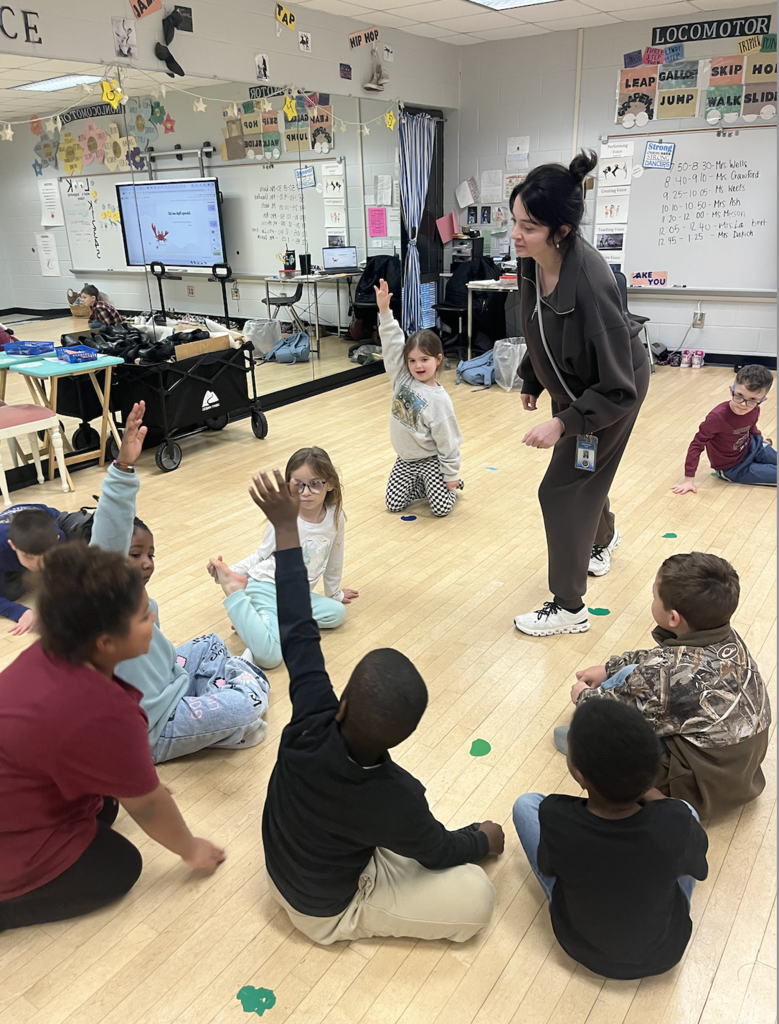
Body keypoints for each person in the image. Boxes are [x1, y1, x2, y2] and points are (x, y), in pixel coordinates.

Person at [254, 467, 502, 944]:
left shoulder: (312, 719)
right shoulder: (395, 795)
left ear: (341, 705)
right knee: (476, 893)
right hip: (322, 909)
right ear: (404, 736)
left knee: (396, 840)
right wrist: (482, 840)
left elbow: (297, 628)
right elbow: (438, 849)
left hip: (288, 865)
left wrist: (287, 529)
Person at [0, 542, 225, 930]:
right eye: (143, 616)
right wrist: (192, 849)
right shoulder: (101, 710)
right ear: (105, 641)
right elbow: (149, 806)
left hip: (22, 794)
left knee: (107, 805)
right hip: (11, 838)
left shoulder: (51, 655)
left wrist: (133, 780)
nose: (153, 617)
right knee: (119, 866)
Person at [510, 152, 650, 637]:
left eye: (528, 226)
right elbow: (539, 328)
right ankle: (603, 538)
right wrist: (532, 376)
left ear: (561, 231)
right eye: (515, 222)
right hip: (574, 381)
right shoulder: (533, 261)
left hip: (611, 387)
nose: (516, 235)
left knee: (562, 489)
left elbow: (618, 387)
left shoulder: (591, 283)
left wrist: (564, 422)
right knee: (587, 473)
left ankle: (569, 607)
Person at [90, 401, 271, 763]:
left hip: (171, 686)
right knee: (247, 705)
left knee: (210, 641)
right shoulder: (101, 601)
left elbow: (165, 658)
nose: (145, 563)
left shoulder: (140, 601)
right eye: (134, 554)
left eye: (150, 554)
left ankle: (215, 704)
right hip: (155, 726)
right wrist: (123, 468)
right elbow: (110, 531)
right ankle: (231, 699)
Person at [558, 552, 770, 818]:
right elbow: (662, 659)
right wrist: (610, 668)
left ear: (673, 619)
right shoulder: (726, 638)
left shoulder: (664, 673)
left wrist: (584, 697)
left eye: (655, 597)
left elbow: (610, 713)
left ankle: (646, 793)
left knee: (602, 736)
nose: (652, 600)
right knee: (633, 673)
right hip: (742, 771)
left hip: (703, 786)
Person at [513, 699, 708, 979]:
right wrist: (653, 796)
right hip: (664, 952)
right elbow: (698, 867)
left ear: (578, 774)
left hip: (581, 946)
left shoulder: (555, 817)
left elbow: (549, 867)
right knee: (686, 812)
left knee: (524, 804)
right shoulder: (673, 821)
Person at [207, 446, 358, 669]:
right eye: (299, 485)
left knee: (337, 613)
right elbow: (261, 556)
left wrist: (334, 593)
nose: (306, 492)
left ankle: (255, 624)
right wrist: (228, 573)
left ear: (330, 484)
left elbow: (335, 558)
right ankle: (243, 606)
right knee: (271, 658)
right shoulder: (285, 519)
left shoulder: (336, 516)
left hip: (296, 598)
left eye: (315, 484)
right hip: (267, 587)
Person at [375, 278, 464, 518]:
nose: (418, 365)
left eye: (424, 359)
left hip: (431, 460)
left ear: (438, 359)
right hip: (405, 459)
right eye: (412, 361)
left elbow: (449, 442)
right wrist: (385, 311)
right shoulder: (401, 379)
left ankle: (452, 484)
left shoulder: (440, 400)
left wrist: (451, 475)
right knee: (393, 505)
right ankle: (423, 485)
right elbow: (393, 345)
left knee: (441, 509)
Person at [672, 364, 776, 492]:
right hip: (733, 468)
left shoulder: (754, 409)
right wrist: (688, 480)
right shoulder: (716, 417)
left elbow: (751, 425)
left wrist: (758, 437)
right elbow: (696, 445)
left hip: (754, 447)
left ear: (763, 400)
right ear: (731, 389)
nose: (743, 404)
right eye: (739, 395)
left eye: (752, 399)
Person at [0, 504, 67, 633]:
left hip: (49, 514)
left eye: (43, 556)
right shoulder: (2, 549)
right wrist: (20, 612)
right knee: (11, 593)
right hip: (7, 546)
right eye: (28, 557)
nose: (37, 565)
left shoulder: (58, 536)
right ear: (12, 545)